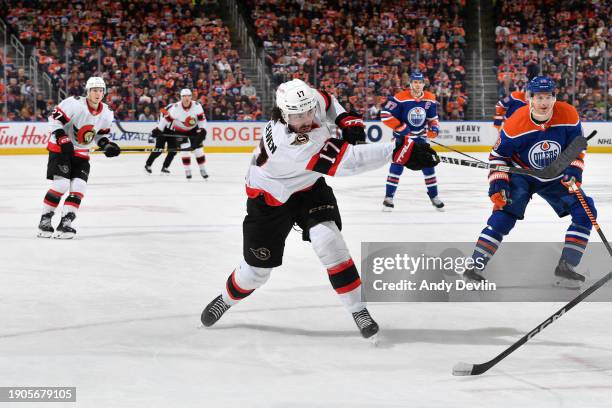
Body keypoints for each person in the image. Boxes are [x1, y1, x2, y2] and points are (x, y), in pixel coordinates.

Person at [200, 79, 439, 339]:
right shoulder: (289, 141)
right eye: (297, 116)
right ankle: (226, 298)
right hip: (270, 200)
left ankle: (358, 309)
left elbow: (326, 100)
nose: (305, 118)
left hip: (308, 187)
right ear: (282, 113)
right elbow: (349, 162)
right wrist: (398, 150)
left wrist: (344, 117)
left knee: (329, 242)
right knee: (255, 274)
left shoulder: (305, 100)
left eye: (307, 111)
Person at [464, 76, 594, 289]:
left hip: (556, 175)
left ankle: (566, 268)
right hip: (522, 175)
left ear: (555, 97)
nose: (544, 103)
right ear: (530, 99)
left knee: (586, 210)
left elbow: (577, 146)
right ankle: (474, 267)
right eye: (539, 97)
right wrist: (498, 184)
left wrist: (573, 172)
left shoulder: (568, 114)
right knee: (504, 215)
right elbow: (497, 157)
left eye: (548, 97)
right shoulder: (515, 123)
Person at [37, 76, 120, 239]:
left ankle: (65, 224)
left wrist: (107, 145)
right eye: (94, 90)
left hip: (82, 153)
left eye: (100, 90)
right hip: (61, 149)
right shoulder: (74, 104)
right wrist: (62, 138)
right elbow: (54, 120)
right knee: (61, 185)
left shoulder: (107, 113)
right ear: (88, 92)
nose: (97, 93)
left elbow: (98, 136)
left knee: (79, 188)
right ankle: (45, 222)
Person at [380, 71, 443, 211]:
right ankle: (388, 198)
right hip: (403, 139)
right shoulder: (400, 98)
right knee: (397, 166)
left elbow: (433, 118)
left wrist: (434, 128)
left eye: (420, 82)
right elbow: (385, 114)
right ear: (410, 83)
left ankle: (434, 196)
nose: (418, 85)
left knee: (428, 165)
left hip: (420, 138)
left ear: (423, 84)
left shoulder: (430, 98)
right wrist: (400, 127)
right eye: (415, 82)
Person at [144, 89, 207, 177]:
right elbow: (163, 120)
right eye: (183, 96)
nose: (185, 99)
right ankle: (148, 164)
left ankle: (165, 167)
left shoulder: (177, 107)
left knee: (173, 151)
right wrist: (158, 130)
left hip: (173, 132)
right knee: (159, 150)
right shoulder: (168, 109)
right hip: (164, 131)